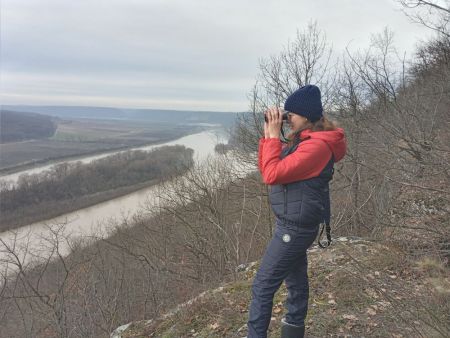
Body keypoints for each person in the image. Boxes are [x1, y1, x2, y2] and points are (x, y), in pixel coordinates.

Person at [247, 84, 347, 338]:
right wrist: (268, 136)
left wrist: (272, 137)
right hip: (291, 223)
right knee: (296, 283)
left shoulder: (316, 147)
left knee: (262, 286)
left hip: (295, 228)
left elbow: (272, 174)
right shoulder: (303, 140)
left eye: (291, 114)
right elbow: (268, 167)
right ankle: (293, 333)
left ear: (306, 115)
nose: (287, 118)